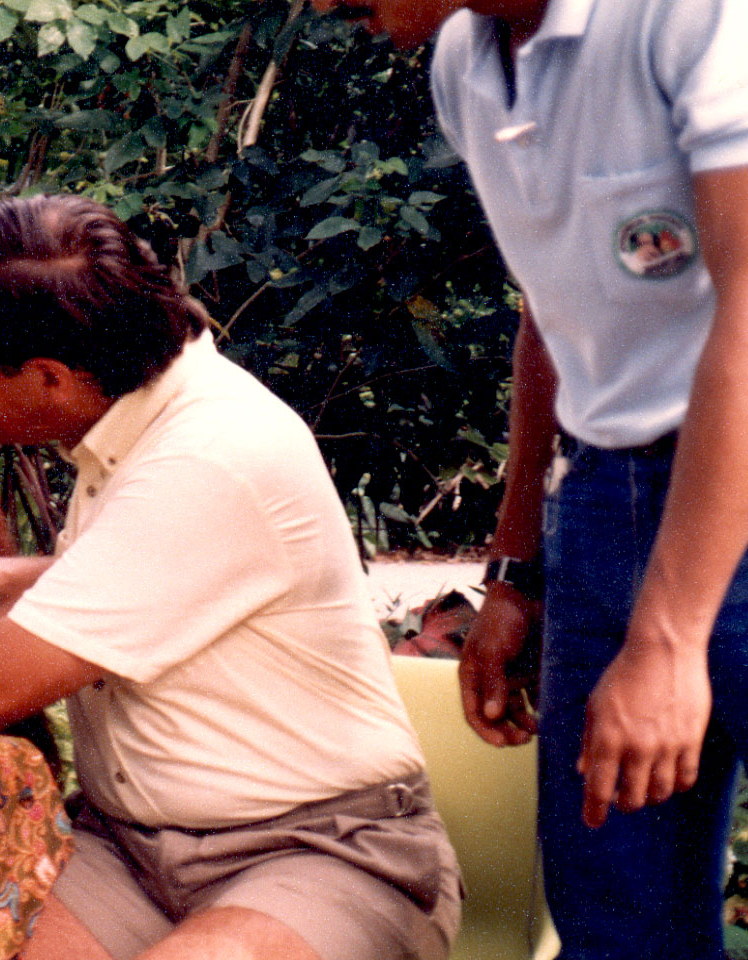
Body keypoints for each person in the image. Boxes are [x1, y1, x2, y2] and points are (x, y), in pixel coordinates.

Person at [0, 194, 462, 960]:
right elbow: (188, 564)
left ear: (47, 377)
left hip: (319, 851)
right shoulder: (136, 420)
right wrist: (46, 576)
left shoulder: (208, 450)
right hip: (130, 851)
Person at [311, 0, 748, 956]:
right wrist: (517, 572)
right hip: (604, 499)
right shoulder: (466, 68)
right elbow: (549, 311)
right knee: (616, 908)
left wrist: (670, 641)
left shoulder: (691, 17)